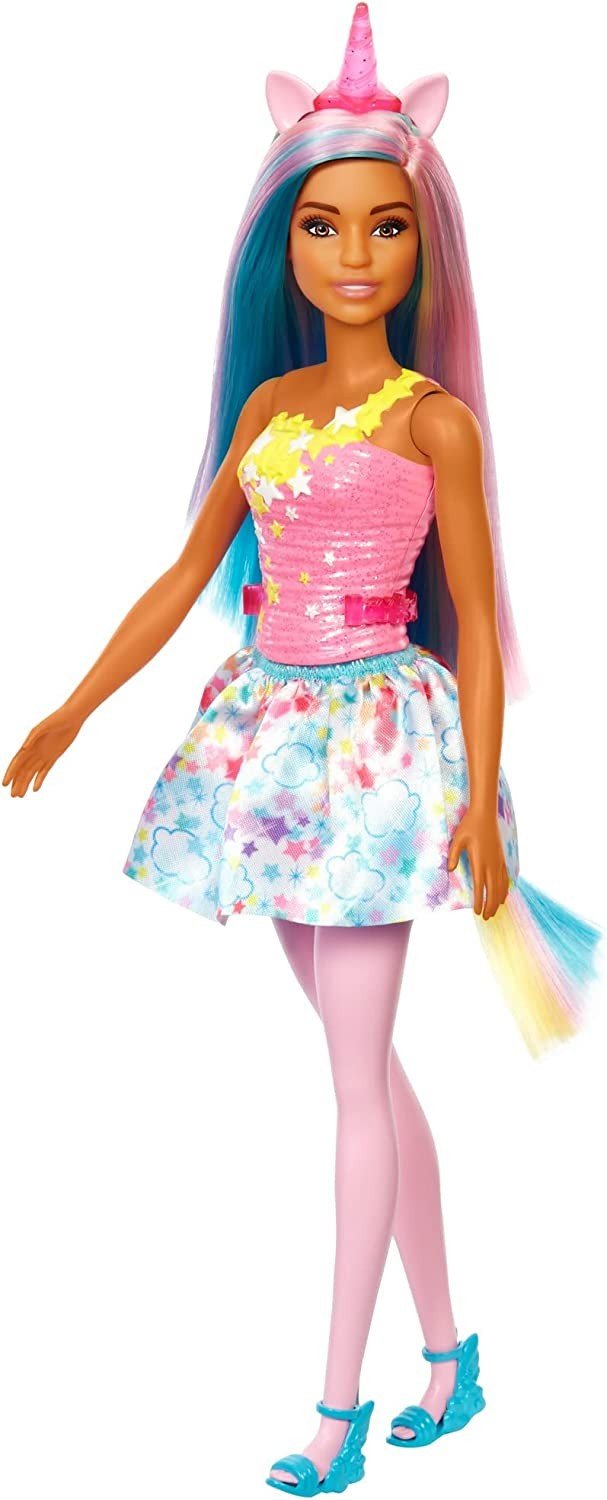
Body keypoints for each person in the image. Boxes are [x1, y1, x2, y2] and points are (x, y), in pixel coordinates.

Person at [3, 5, 602, 1494]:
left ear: (422, 244)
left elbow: (474, 619)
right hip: (273, 755)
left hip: (383, 760)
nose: (354, 255)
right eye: (325, 226)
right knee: (364, 1070)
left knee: (351, 1084)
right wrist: (73, 706)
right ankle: (453, 1357)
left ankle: (338, 1410)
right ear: (284, 241)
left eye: (385, 228)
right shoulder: (270, 406)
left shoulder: (434, 423)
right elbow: (180, 577)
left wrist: (480, 810)